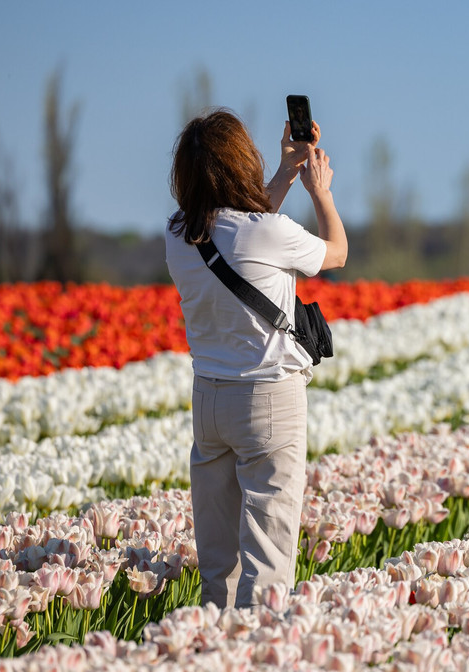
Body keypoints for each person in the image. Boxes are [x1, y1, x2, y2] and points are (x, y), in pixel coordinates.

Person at [165, 108, 348, 609]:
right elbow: (335, 253)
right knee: (266, 564)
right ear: (244, 162)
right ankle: (254, 668)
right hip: (268, 399)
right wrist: (319, 190)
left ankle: (208, 664)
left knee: (218, 566)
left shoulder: (179, 235)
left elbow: (239, 231)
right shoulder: (271, 231)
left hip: (208, 404)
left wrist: (287, 173)